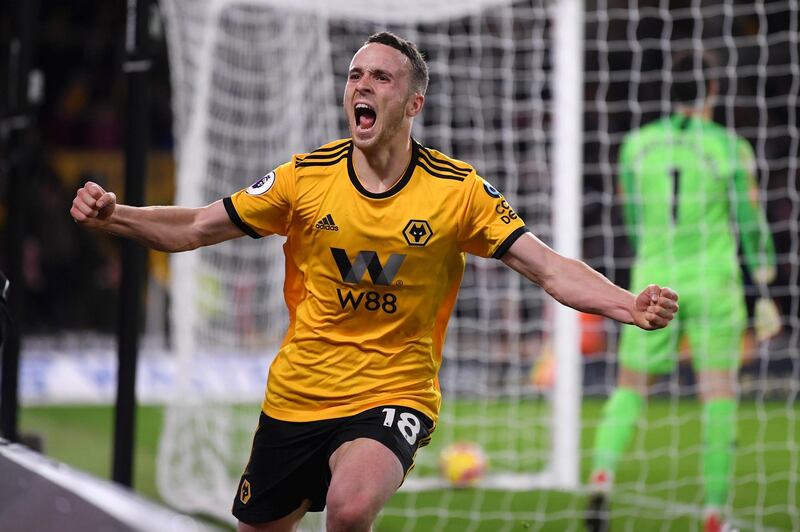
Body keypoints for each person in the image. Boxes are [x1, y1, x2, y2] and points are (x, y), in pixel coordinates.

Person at [71, 32, 678, 532]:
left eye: (381, 78)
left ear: (413, 104)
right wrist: (116, 217)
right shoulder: (304, 179)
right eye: (355, 75)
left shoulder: (456, 190)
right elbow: (199, 225)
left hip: (395, 391)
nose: (362, 85)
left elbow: (546, 265)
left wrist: (627, 304)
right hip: (298, 394)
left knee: (351, 508)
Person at [584, 50, 779, 532]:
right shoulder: (730, 147)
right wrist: (766, 283)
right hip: (715, 282)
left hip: (654, 282)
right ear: (713, 89)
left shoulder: (636, 147)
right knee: (718, 396)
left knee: (630, 390)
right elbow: (750, 224)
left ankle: (601, 477)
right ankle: (715, 514)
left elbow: (630, 218)